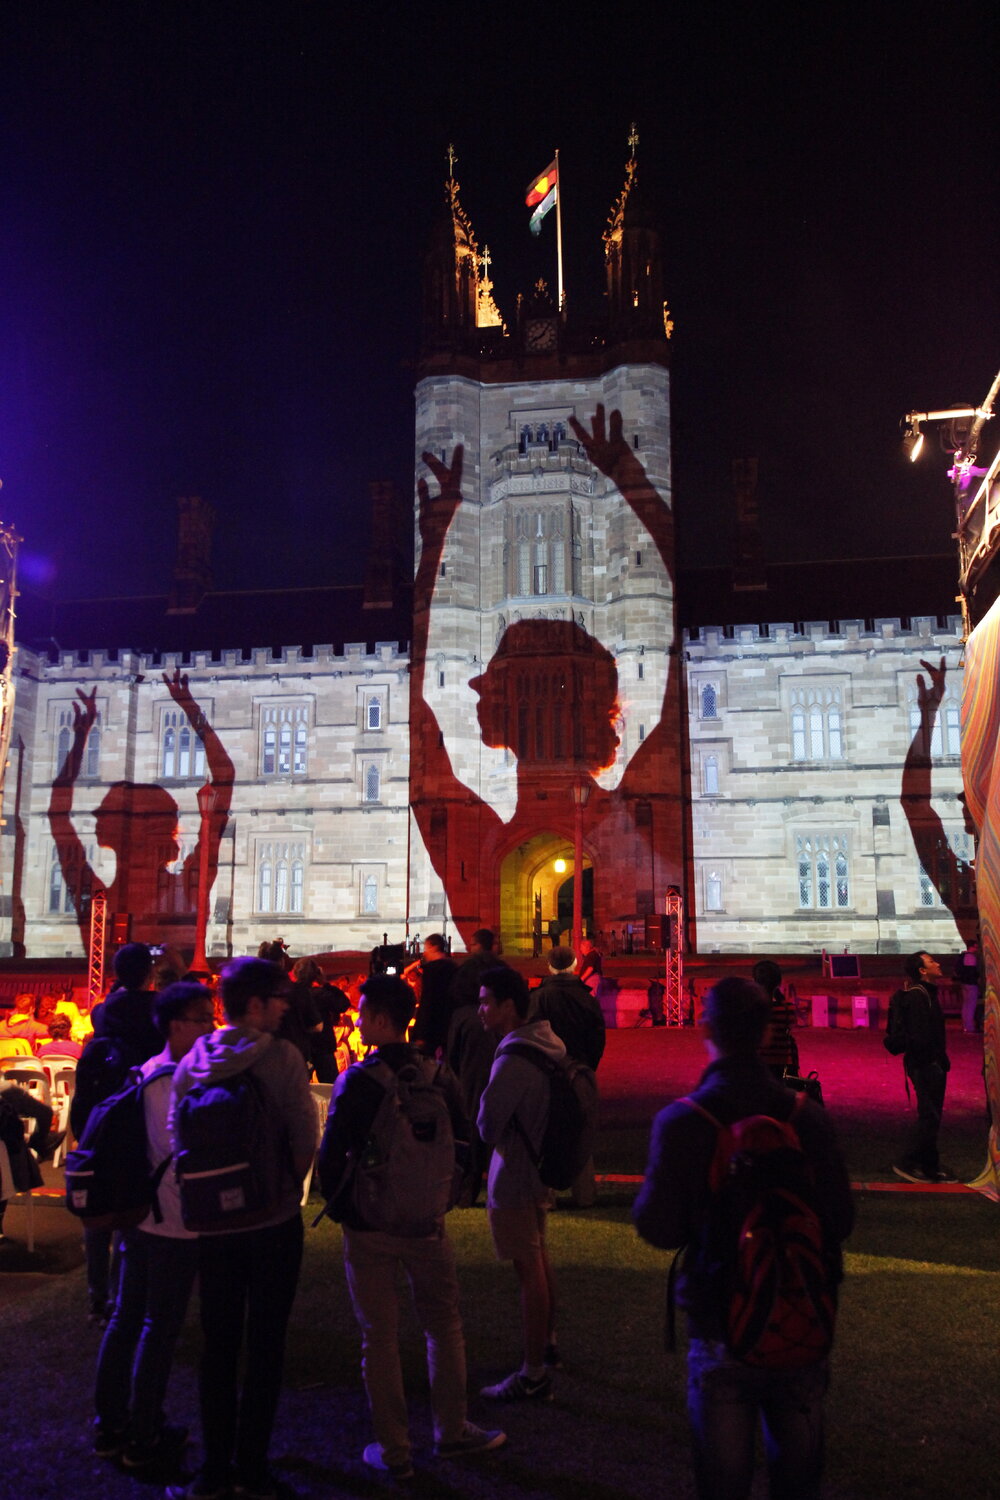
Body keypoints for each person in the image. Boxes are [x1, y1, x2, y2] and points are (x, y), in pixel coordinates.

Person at [633, 976, 854, 1500]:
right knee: (799, 1478)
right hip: (800, 1311)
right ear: (763, 1030)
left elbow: (657, 1228)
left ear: (706, 1027)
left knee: (723, 1480)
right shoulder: (808, 1118)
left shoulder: (684, 1121)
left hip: (721, 1321)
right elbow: (840, 1221)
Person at [318, 974, 506, 1479]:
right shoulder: (439, 1075)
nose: (357, 1020)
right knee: (444, 1327)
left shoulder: (358, 1080)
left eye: (362, 1012)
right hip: (427, 1223)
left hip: (371, 1224)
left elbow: (331, 1159)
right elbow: (467, 1146)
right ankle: (451, 1429)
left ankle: (395, 1451)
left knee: (378, 1337)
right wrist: (440, 1199)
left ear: (381, 1019)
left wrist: (345, 1211)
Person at [167, 957, 318, 1500]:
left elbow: (174, 1137)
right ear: (254, 1005)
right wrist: (279, 1188)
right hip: (271, 1220)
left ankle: (213, 1470)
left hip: (214, 1226)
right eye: (277, 998)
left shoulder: (194, 1061)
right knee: (266, 1344)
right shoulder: (281, 1058)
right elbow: (305, 1139)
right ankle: (251, 1469)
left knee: (218, 1344)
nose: (283, 1007)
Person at [92, 982, 215, 1469]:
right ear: (175, 1024)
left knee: (126, 1320)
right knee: (156, 1329)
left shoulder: (145, 1072)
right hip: (170, 1223)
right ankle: (143, 1434)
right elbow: (180, 1154)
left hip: (138, 1218)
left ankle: (111, 1425)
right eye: (203, 1018)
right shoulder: (175, 1079)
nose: (212, 1026)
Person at [477, 966, 565, 1400]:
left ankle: (533, 1373)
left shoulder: (513, 1056)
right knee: (539, 1256)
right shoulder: (548, 1044)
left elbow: (487, 1123)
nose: (480, 1010)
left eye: (486, 1002)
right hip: (540, 1163)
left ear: (509, 1007)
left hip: (515, 1170)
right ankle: (547, 1346)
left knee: (527, 1268)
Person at [73, 942, 163, 1324]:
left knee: (99, 1213)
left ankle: (98, 1297)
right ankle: (119, 1294)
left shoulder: (102, 1019)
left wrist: (84, 1133)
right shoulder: (154, 1017)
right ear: (148, 974)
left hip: (97, 1126)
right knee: (129, 1214)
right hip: (135, 1124)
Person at [532, 946, 606, 1207]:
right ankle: (584, 1194)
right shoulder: (587, 998)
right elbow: (598, 1037)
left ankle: (545, 1194)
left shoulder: (539, 997)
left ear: (550, 966)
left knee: (543, 1132)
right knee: (580, 1130)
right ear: (575, 965)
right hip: (579, 1069)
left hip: (547, 1071)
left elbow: (531, 1034)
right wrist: (586, 1066)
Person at [885, 952, 954, 1183]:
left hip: (931, 1063)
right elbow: (920, 1035)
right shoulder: (918, 996)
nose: (938, 963)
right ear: (922, 971)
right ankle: (907, 1161)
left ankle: (929, 1165)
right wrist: (932, 1060)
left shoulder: (927, 993)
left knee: (932, 1116)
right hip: (924, 1064)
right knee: (929, 1116)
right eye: (932, 961)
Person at [446, 931, 504, 1204]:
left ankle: (468, 1190)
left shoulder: (462, 1016)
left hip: (470, 1081)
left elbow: (453, 1055)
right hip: (496, 1079)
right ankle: (493, 1187)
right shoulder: (502, 1014)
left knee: (471, 1132)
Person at [409, 933, 457, 1059]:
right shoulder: (453, 968)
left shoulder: (432, 971)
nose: (424, 953)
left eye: (426, 949)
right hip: (449, 1027)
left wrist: (421, 1033)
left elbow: (428, 1002)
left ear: (434, 947)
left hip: (432, 1030)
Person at [753, 960, 799, 1079]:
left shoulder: (752, 1009)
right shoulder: (787, 1008)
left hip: (757, 1062)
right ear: (778, 982)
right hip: (781, 1062)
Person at [954, 938, 981, 1033]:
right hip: (971, 983)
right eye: (976, 947)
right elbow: (971, 972)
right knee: (971, 1006)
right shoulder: (971, 957)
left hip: (964, 983)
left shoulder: (962, 956)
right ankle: (969, 1026)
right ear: (972, 947)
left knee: (966, 1005)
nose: (977, 949)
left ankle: (966, 1025)